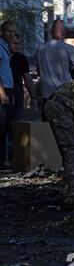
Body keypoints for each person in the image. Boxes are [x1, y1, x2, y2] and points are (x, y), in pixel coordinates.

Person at [35, 19, 74, 122]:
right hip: (64, 96)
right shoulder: (69, 49)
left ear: (51, 32)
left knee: (47, 129)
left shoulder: (40, 48)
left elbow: (38, 71)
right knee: (65, 128)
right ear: (64, 33)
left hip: (47, 96)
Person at [9, 34, 35, 121]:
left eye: (19, 44)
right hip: (5, 91)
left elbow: (27, 78)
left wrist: (33, 97)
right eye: (14, 43)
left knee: (17, 122)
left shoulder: (22, 58)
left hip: (17, 92)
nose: (17, 46)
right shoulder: (3, 56)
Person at [0, 21, 15, 170]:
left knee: (7, 126)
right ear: (2, 32)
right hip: (3, 91)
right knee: (2, 127)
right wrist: (2, 91)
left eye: (13, 31)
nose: (11, 34)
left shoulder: (6, 47)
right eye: (8, 31)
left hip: (8, 90)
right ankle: (2, 161)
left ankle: (5, 159)